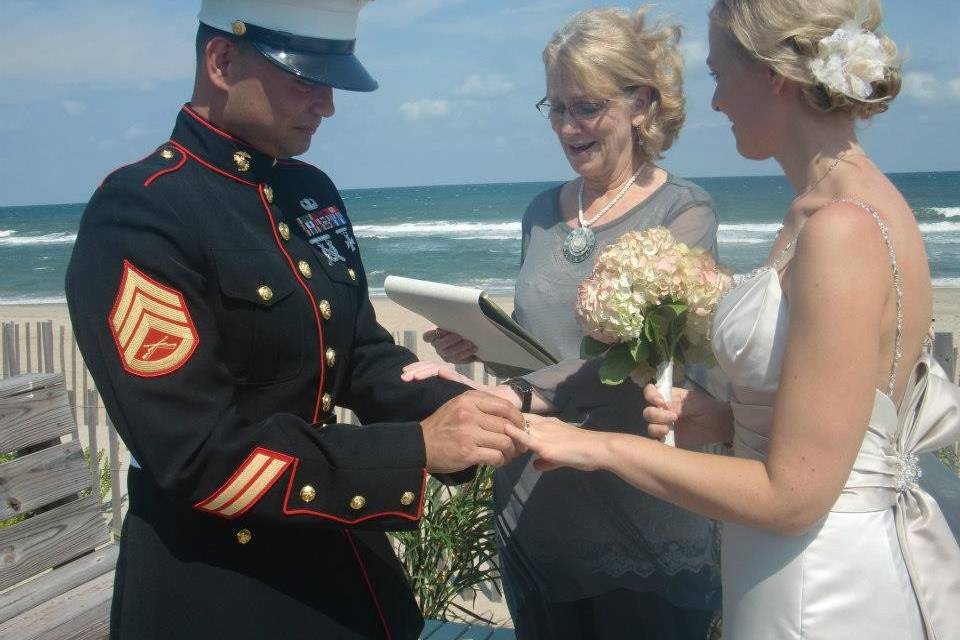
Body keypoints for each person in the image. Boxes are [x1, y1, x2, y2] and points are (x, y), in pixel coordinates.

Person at [64, 2, 524, 638]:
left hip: (346, 578)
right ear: (222, 62)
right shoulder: (142, 216)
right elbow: (199, 456)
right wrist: (417, 447)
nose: (328, 105)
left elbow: (362, 354)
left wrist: (470, 411)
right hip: (224, 594)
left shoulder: (310, 193)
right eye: (306, 79)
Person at [509, 1, 960, 638]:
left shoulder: (841, 228)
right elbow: (848, 426)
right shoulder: (835, 204)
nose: (715, 103)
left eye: (720, 76)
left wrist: (596, 446)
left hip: (821, 586)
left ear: (773, 74)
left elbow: (794, 495)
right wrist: (725, 422)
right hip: (787, 559)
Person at [403, 8, 722, 639]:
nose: (570, 126)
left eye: (587, 107)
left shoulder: (682, 210)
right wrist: (484, 349)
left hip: (639, 506)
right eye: (556, 108)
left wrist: (516, 392)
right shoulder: (541, 212)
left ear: (641, 103)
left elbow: (631, 357)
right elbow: (542, 351)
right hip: (535, 502)